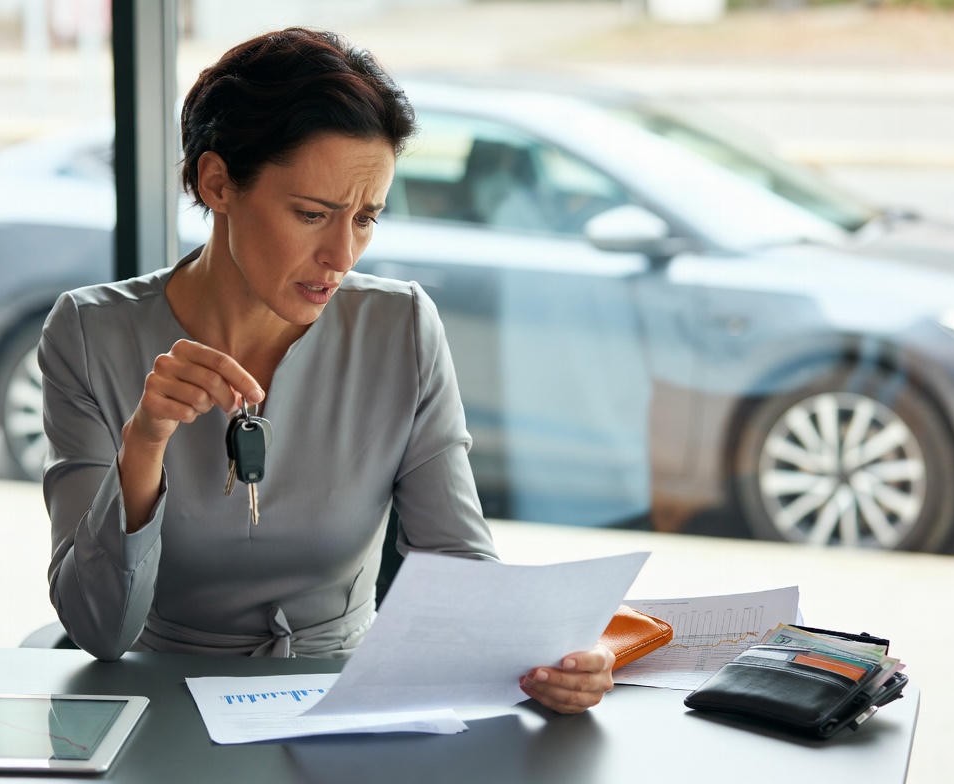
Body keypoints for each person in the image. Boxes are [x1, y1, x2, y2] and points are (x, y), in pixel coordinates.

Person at [39, 27, 615, 715]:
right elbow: (97, 629)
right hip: (163, 706)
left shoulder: (399, 327)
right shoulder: (89, 333)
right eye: (313, 214)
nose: (342, 256)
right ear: (217, 182)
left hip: (349, 709)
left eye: (366, 218)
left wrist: (554, 660)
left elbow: (461, 572)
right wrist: (144, 445)